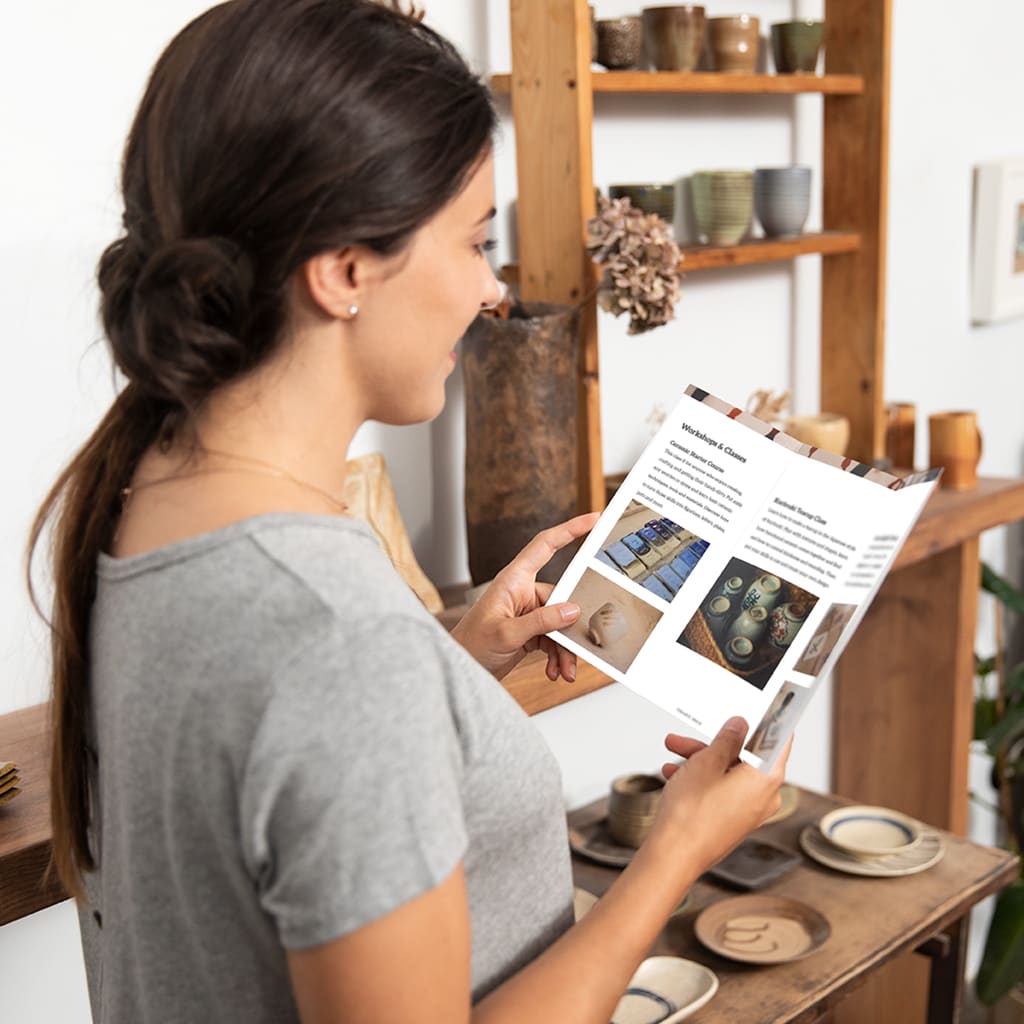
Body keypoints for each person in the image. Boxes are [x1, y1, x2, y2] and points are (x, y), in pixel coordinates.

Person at [28, 2, 789, 1021]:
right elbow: (324, 686)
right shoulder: (338, 638)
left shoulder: (145, 494)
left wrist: (447, 669)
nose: (490, 290)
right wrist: (675, 854)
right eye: (476, 241)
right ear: (344, 271)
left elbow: (272, 777)